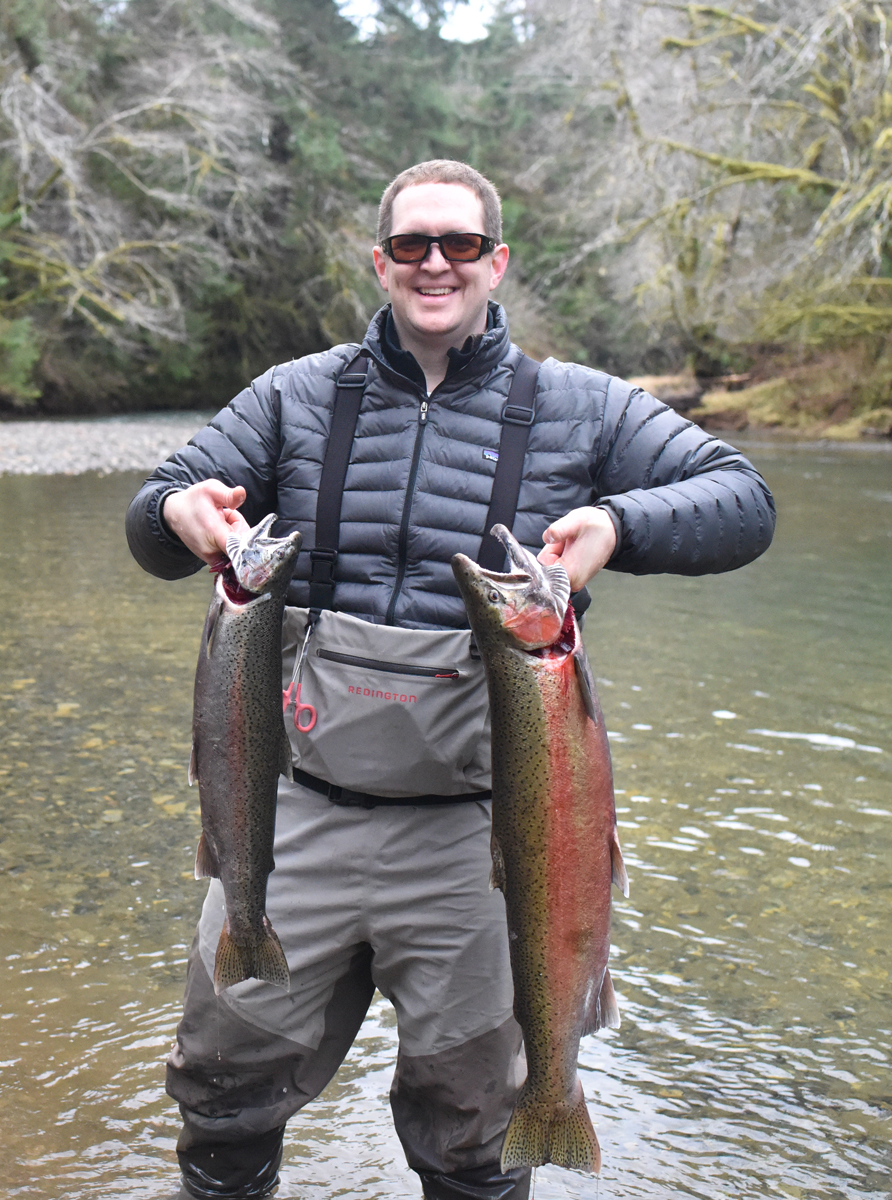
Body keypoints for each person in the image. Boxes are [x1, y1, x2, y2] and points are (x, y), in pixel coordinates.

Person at [126, 159, 775, 1200]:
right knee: (221, 1094)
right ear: (379, 262)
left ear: (496, 260)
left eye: (461, 244)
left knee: (475, 1130)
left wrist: (617, 522)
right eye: (414, 245)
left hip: (486, 842)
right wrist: (177, 515)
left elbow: (743, 504)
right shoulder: (293, 398)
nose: (437, 264)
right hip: (294, 820)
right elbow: (154, 513)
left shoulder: (583, 409)